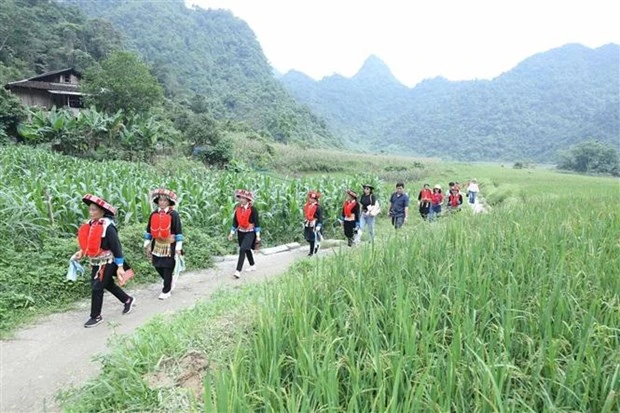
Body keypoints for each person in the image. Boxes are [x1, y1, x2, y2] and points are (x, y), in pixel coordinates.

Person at [71, 194, 135, 328]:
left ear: (102, 211)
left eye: (94, 210)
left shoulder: (108, 227)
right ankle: (127, 299)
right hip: (96, 261)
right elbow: (91, 244)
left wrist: (120, 266)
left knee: (97, 287)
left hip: (108, 261)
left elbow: (117, 248)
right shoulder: (91, 225)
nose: (91, 212)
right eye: (90, 209)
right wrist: (82, 252)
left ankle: (96, 316)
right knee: (107, 284)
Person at [144, 188, 184, 300]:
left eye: (164, 200)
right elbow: (149, 230)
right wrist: (147, 244)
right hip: (157, 245)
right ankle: (169, 281)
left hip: (169, 246)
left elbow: (178, 232)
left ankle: (166, 290)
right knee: (157, 265)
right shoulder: (153, 214)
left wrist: (178, 247)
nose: (162, 202)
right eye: (160, 200)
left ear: (169, 202)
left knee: (167, 267)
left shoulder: (173, 214)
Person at [228, 189, 260, 278]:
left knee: (242, 249)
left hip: (250, 232)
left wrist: (258, 235)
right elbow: (235, 222)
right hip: (240, 232)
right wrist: (232, 232)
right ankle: (252, 265)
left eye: (243, 198)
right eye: (240, 198)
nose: (241, 199)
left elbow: (257, 223)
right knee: (246, 249)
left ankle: (238, 271)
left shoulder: (253, 210)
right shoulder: (238, 209)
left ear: (248, 200)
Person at [303, 190, 323, 256]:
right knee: (307, 237)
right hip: (308, 223)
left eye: (311, 198)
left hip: (314, 223)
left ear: (315, 199)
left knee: (312, 238)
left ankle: (311, 252)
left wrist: (319, 226)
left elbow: (320, 217)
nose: (310, 199)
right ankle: (316, 244)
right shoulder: (308, 205)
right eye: (310, 198)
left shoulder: (318, 207)